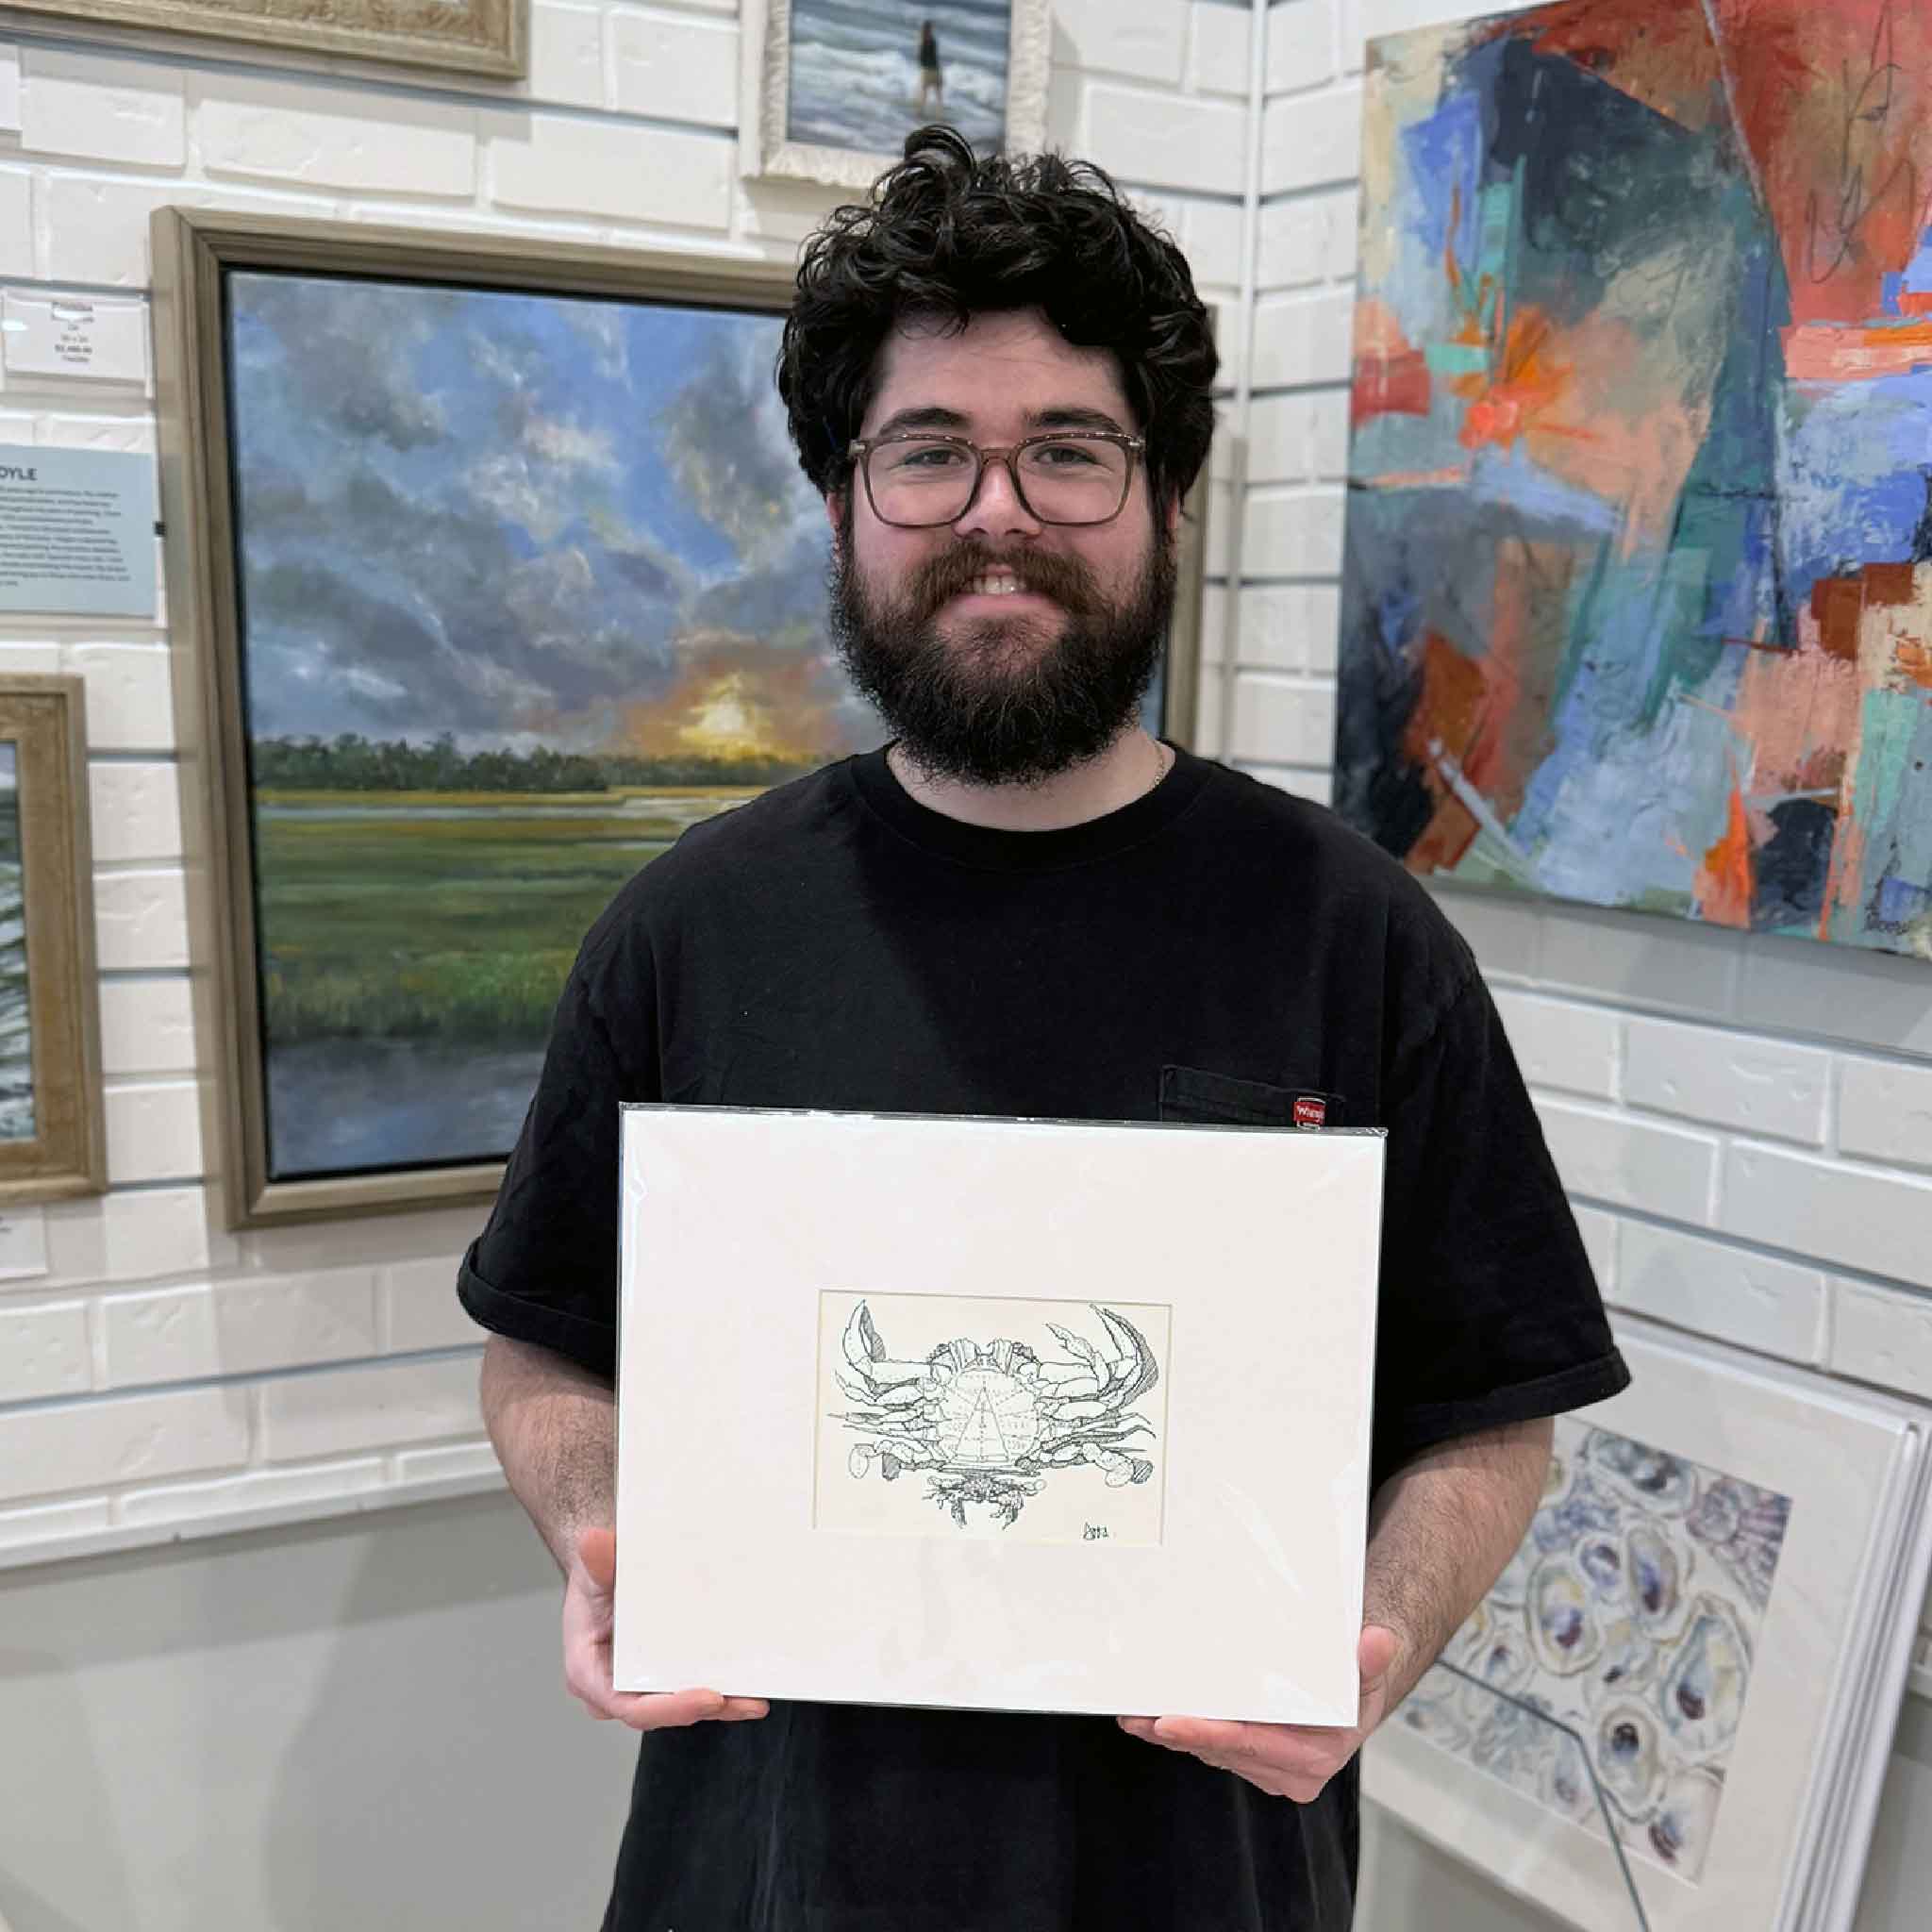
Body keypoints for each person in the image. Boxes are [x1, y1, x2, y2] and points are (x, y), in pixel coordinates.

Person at [460, 125, 1629, 1931]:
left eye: (1066, 451)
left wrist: (1376, 1638)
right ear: (845, 505)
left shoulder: (1355, 935)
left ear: (1163, 501)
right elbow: (543, 1349)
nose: (995, 508)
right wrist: (602, 1530)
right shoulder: (689, 928)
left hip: (1201, 1883)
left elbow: (1494, 1413)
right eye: (927, 451)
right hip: (761, 1881)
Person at [916, 18, 943, 117]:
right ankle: (939, 114)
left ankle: (920, 112)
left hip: (928, 70)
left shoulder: (923, 40)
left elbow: (920, 57)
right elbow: (932, 56)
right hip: (934, 69)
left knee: (925, 93)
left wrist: (923, 65)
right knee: (937, 94)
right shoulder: (931, 40)